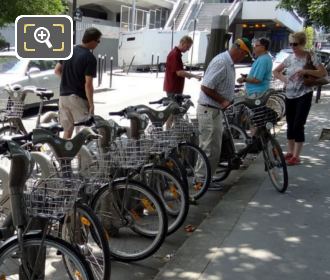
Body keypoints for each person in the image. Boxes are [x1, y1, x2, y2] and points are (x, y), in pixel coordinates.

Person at [195, 38, 253, 184]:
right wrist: (223, 101)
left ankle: (207, 178)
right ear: (238, 49)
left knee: (214, 147)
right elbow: (206, 86)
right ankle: (201, 180)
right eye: (244, 54)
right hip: (209, 109)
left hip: (215, 110)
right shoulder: (222, 62)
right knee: (208, 147)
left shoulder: (228, 62)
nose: (244, 57)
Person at [273, 31, 327, 165]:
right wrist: (285, 79)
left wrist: (305, 71)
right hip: (289, 94)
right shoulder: (290, 58)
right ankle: (290, 152)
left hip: (304, 94)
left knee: (298, 124)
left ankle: (297, 156)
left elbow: (323, 73)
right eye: (290, 44)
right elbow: (275, 71)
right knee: (290, 123)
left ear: (302, 44)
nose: (292, 47)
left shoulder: (310, 56)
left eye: (295, 44)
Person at [54, 27, 102, 139]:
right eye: (98, 41)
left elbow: (56, 71)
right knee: (83, 132)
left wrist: (68, 80)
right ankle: (82, 157)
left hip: (63, 97)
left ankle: (64, 156)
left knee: (67, 131)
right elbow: (88, 84)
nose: (98, 44)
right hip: (78, 98)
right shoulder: (89, 58)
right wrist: (91, 104)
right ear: (92, 41)